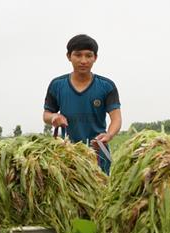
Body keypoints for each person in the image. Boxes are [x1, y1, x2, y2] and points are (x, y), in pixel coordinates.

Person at [42, 34, 122, 174]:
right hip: (67, 154)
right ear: (69, 56)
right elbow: (46, 115)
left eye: (88, 56)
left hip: (98, 153)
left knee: (101, 192)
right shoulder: (57, 85)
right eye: (78, 55)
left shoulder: (106, 86)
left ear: (95, 58)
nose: (83, 61)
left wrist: (109, 135)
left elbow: (116, 118)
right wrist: (54, 117)